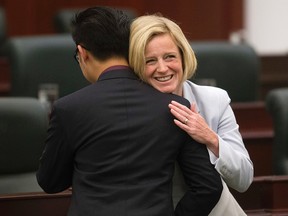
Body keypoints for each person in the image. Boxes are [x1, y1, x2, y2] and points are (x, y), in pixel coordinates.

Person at [36, 6, 222, 216]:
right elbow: (208, 188)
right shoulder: (176, 107)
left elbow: (50, 182)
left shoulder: (68, 108)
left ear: (82, 53)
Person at [129, 14, 253, 215]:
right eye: (150, 61)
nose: (162, 68)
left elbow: (244, 179)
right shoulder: (128, 109)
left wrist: (210, 138)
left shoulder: (215, 100)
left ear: (183, 56)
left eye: (170, 57)